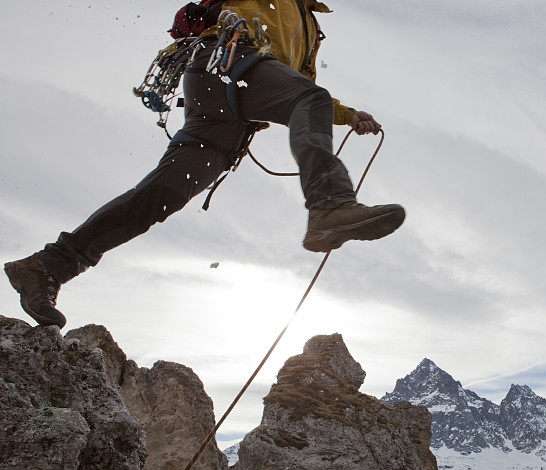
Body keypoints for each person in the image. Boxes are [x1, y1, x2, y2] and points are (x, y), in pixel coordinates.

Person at [4, 0, 405, 330]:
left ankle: (46, 268)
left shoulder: (309, 27)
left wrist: (349, 114)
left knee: (161, 195)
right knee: (311, 99)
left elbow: (298, 88)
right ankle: (329, 204)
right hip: (227, 63)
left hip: (226, 102)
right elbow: (306, 97)